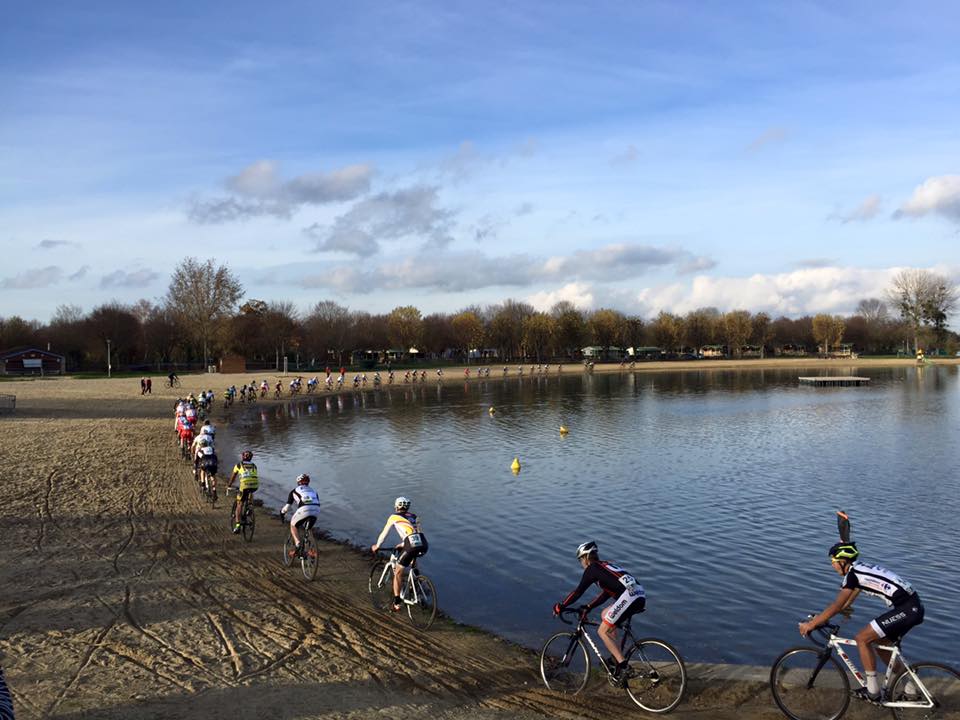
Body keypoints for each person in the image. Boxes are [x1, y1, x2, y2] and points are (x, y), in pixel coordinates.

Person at [798, 542, 924, 702]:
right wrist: (821, 618)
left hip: (907, 609)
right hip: (912, 607)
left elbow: (837, 605)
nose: (832, 566)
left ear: (843, 561)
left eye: (833, 562)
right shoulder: (859, 570)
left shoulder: (853, 575)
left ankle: (872, 691)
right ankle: (910, 689)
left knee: (862, 638)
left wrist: (811, 625)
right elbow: (845, 604)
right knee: (882, 646)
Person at [552, 541, 646, 681]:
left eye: (580, 559)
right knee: (604, 615)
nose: (581, 563)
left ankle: (623, 665)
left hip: (629, 596)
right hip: (638, 593)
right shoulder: (604, 566)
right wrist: (589, 607)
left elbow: (578, 592)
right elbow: (607, 593)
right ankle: (616, 657)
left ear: (586, 557)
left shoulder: (592, 569)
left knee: (602, 631)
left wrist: (561, 606)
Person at [371, 496, 428, 611]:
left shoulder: (394, 517)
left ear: (396, 506)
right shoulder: (414, 517)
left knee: (397, 572)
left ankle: (397, 603)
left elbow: (384, 533)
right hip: (423, 543)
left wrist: (377, 546)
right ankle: (416, 582)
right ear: (408, 507)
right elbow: (415, 533)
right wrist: (403, 544)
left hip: (410, 545)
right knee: (412, 559)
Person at [280, 473, 322, 553]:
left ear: (298, 482)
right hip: (316, 509)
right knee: (308, 528)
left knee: (293, 525)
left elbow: (287, 507)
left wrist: (282, 513)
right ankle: (309, 547)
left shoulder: (295, 490)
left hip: (304, 509)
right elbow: (316, 502)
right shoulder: (314, 491)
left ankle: (298, 543)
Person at [228, 450, 259, 533]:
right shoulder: (254, 465)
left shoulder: (239, 465)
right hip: (255, 484)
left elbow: (233, 476)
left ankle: (238, 525)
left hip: (244, 485)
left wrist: (229, 485)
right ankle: (250, 506)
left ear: (242, 457)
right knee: (250, 491)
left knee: (239, 503)